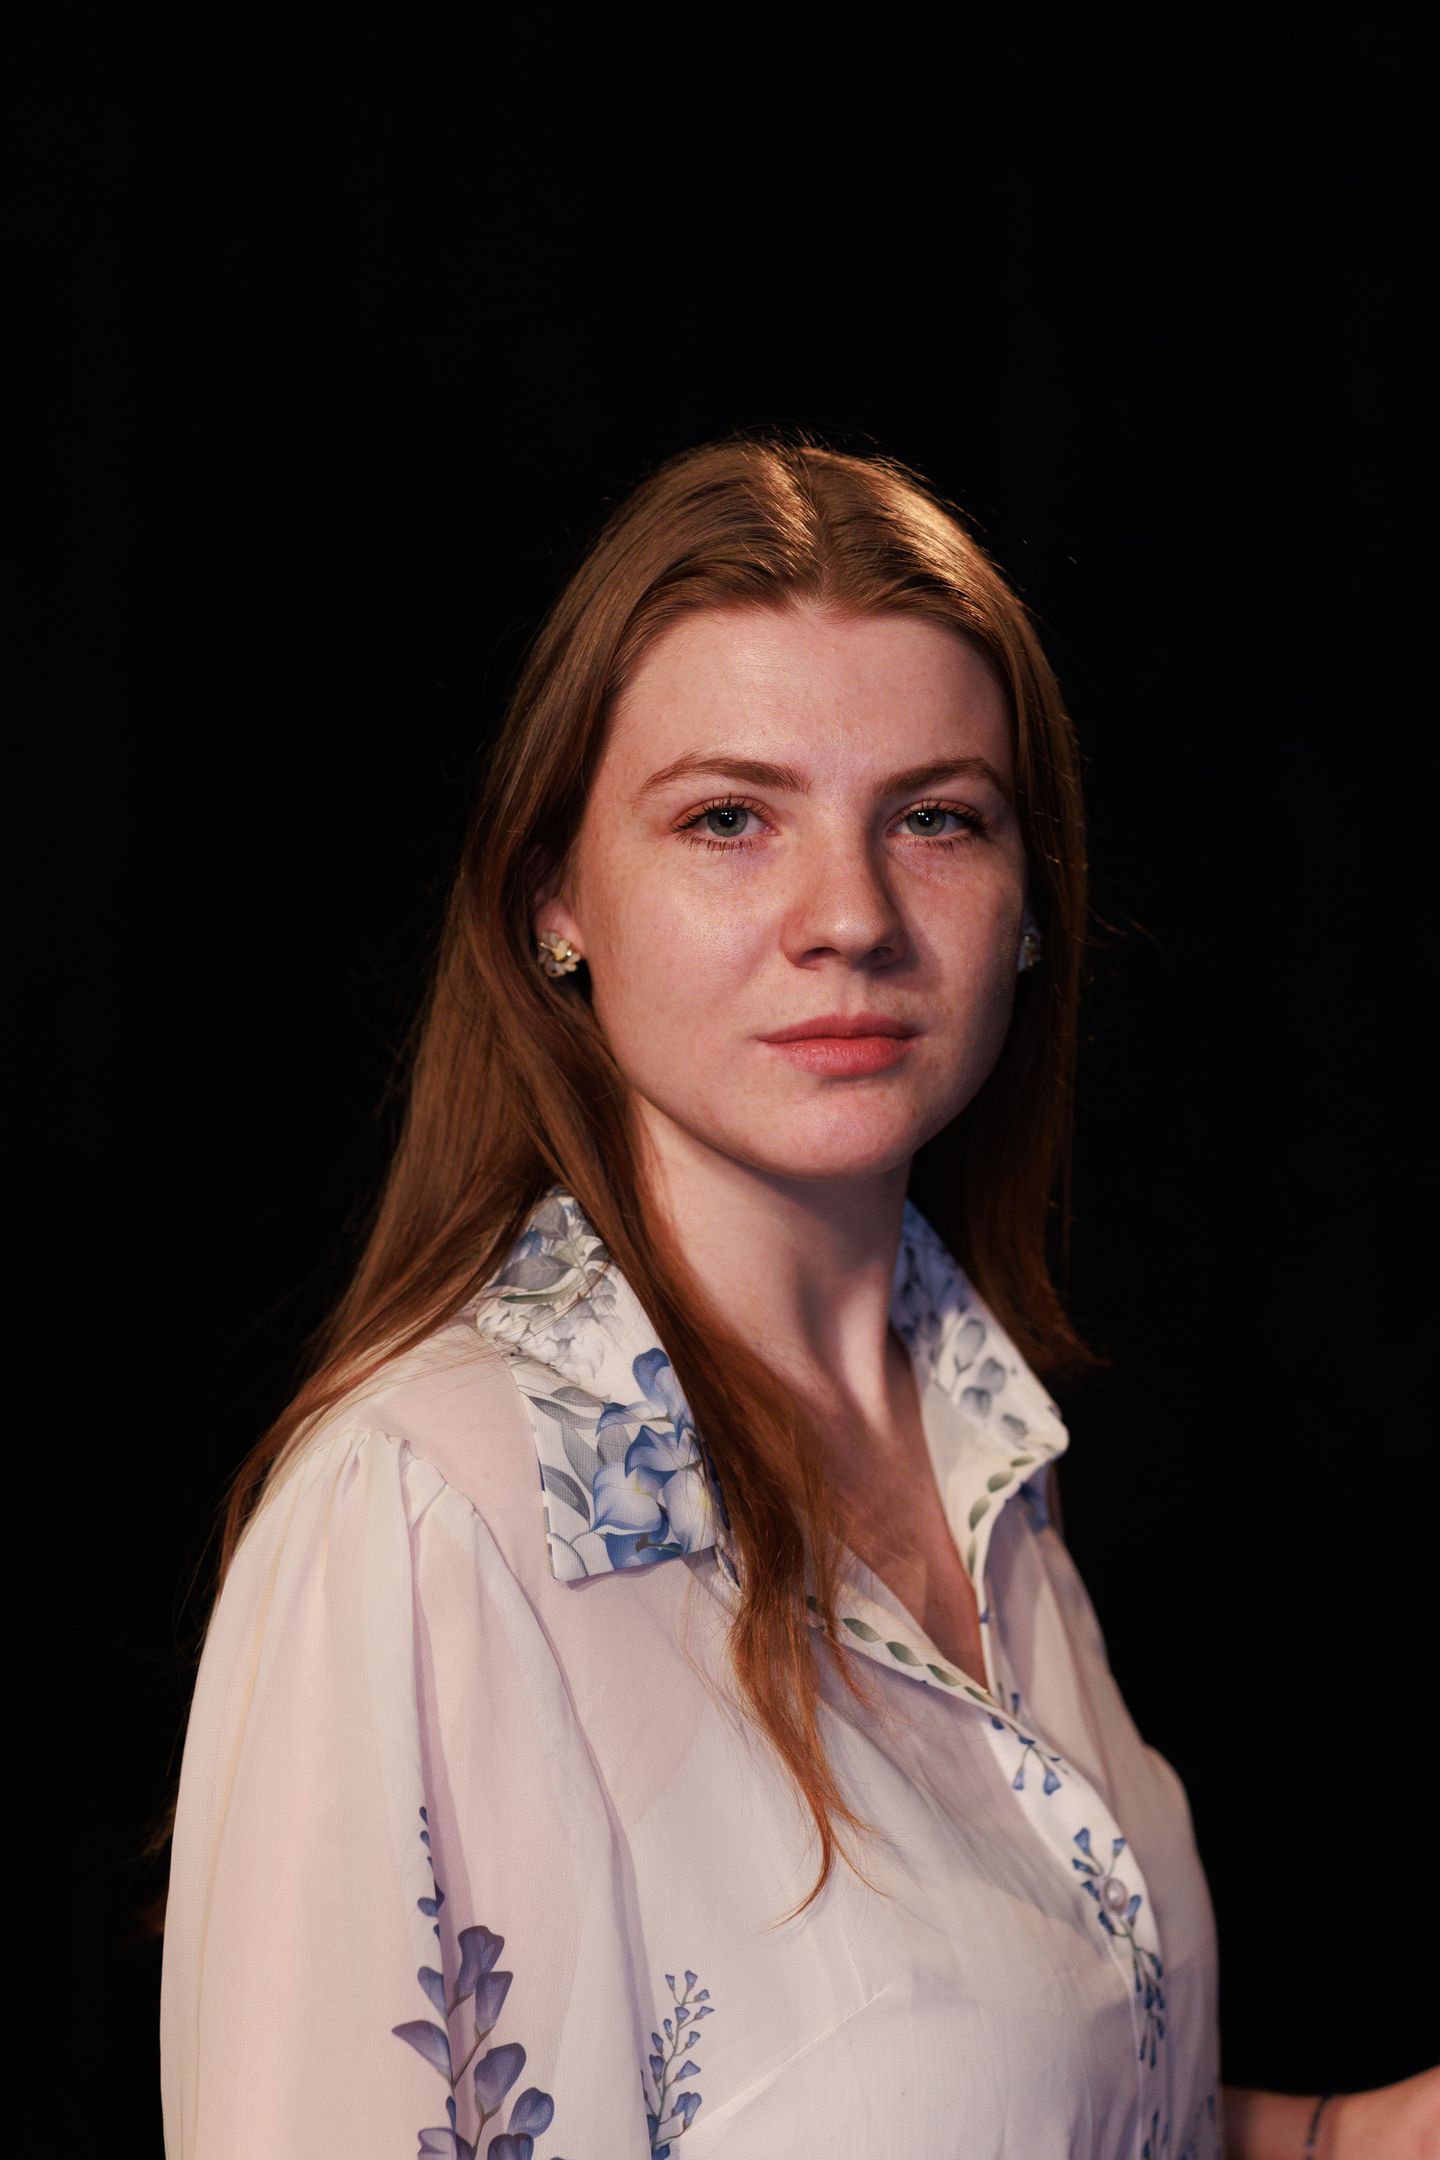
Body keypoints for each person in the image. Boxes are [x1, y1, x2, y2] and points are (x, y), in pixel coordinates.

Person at [156, 432, 1437, 2158]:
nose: (851, 916)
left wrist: (1355, 2138)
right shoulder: (427, 1520)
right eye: (729, 819)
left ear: (1032, 902)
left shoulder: (986, 1453)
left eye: (935, 818)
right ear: (554, 900)